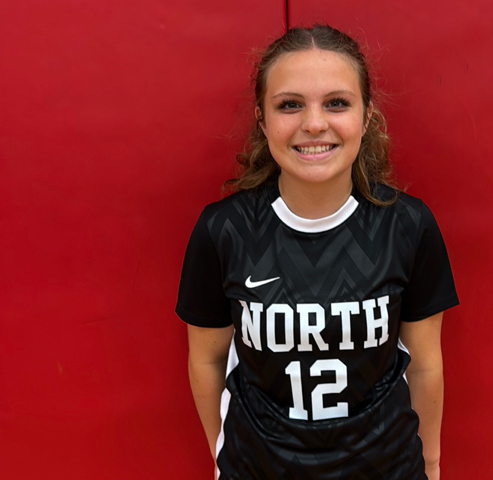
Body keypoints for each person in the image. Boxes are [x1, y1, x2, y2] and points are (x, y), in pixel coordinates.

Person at [176, 25, 459, 480]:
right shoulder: (224, 230)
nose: (313, 124)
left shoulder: (407, 225)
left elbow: (425, 365)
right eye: (290, 105)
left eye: (336, 103)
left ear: (366, 116)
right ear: (262, 120)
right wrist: (222, 457)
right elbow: (207, 360)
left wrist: (431, 464)